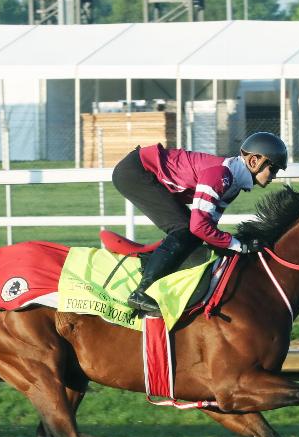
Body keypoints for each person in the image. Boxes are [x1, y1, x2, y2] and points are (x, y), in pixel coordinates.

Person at [111, 131, 288, 313]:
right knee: (185, 230)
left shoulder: (233, 183)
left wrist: (231, 245)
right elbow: (199, 227)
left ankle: (156, 267)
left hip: (142, 171)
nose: (274, 176)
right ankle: (141, 292)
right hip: (136, 172)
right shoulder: (221, 175)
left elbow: (208, 228)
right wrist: (237, 244)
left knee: (190, 234)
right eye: (273, 169)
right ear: (254, 161)